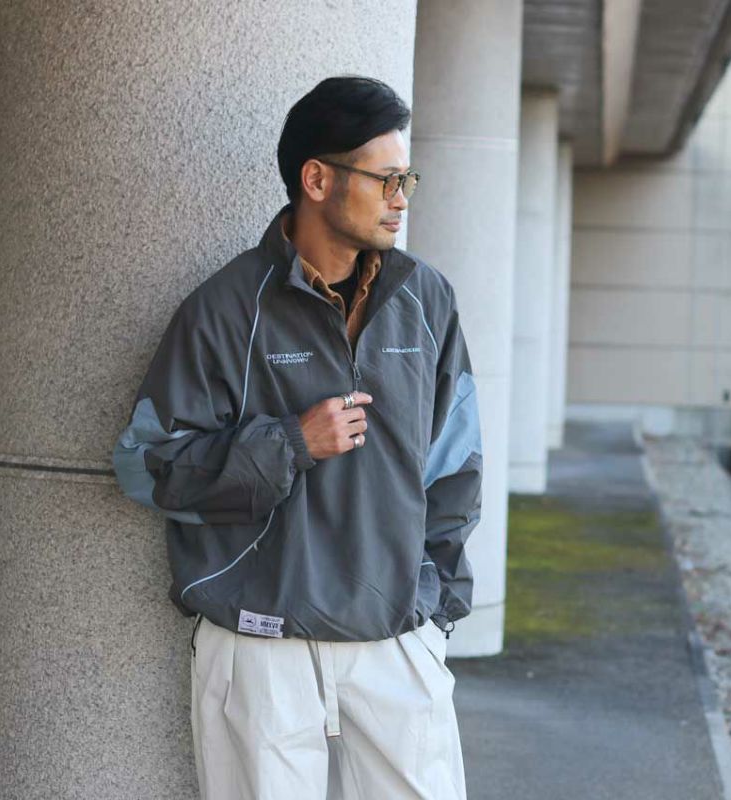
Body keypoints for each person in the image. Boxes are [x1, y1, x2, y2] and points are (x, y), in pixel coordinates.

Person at [112, 75, 483, 800]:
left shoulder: (426, 298)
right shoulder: (224, 309)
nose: (402, 197)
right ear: (317, 180)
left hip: (396, 638)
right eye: (385, 179)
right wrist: (289, 444)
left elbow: (456, 464)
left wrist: (434, 612)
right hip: (261, 646)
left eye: (406, 179)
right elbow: (143, 465)